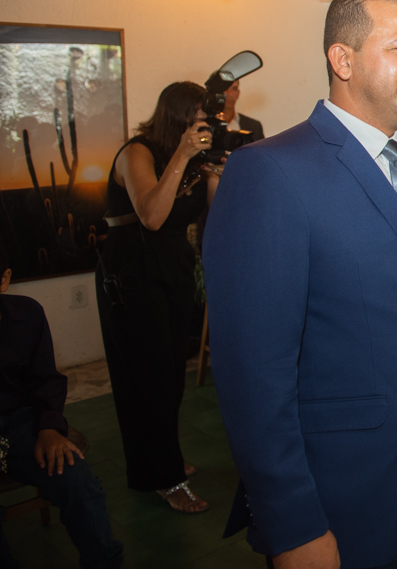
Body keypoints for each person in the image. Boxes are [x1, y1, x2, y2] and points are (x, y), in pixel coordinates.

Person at [203, 0, 397, 569]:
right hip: (345, 492)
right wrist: (292, 523)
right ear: (342, 60)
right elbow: (254, 372)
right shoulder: (270, 172)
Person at [93, 81, 218, 514]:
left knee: (171, 374)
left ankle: (160, 459)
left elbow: (220, 210)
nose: (205, 127)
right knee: (147, 377)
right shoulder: (137, 154)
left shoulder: (196, 159)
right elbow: (151, 215)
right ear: (178, 117)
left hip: (173, 270)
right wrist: (183, 156)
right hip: (132, 275)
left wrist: (223, 170)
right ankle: (165, 478)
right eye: (199, 119)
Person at [0, 247, 123, 569]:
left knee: (77, 479)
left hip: (20, 423)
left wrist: (50, 427)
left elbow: (45, 379)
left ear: (4, 279)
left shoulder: (27, 314)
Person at [205, 72, 264, 142]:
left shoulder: (254, 126)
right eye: (225, 88)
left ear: (238, 93)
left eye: (234, 88)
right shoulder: (203, 124)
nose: (230, 94)